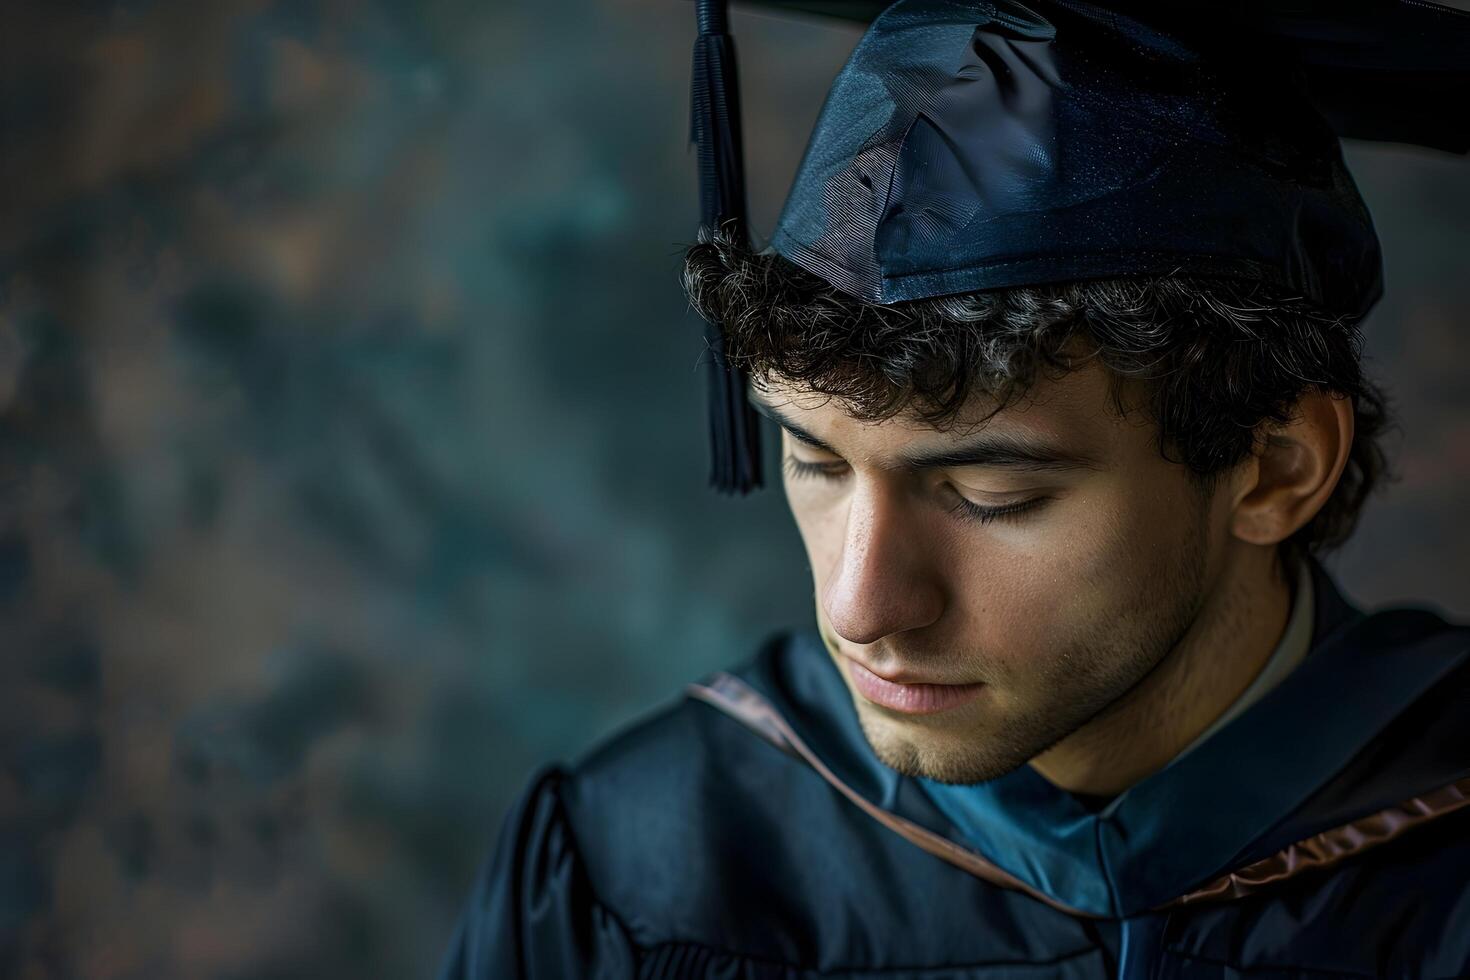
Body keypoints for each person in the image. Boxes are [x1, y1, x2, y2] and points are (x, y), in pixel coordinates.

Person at [440, 1, 1470, 976]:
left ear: (1277, 466)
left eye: (989, 492)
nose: (861, 606)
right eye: (817, 460)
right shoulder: (642, 869)